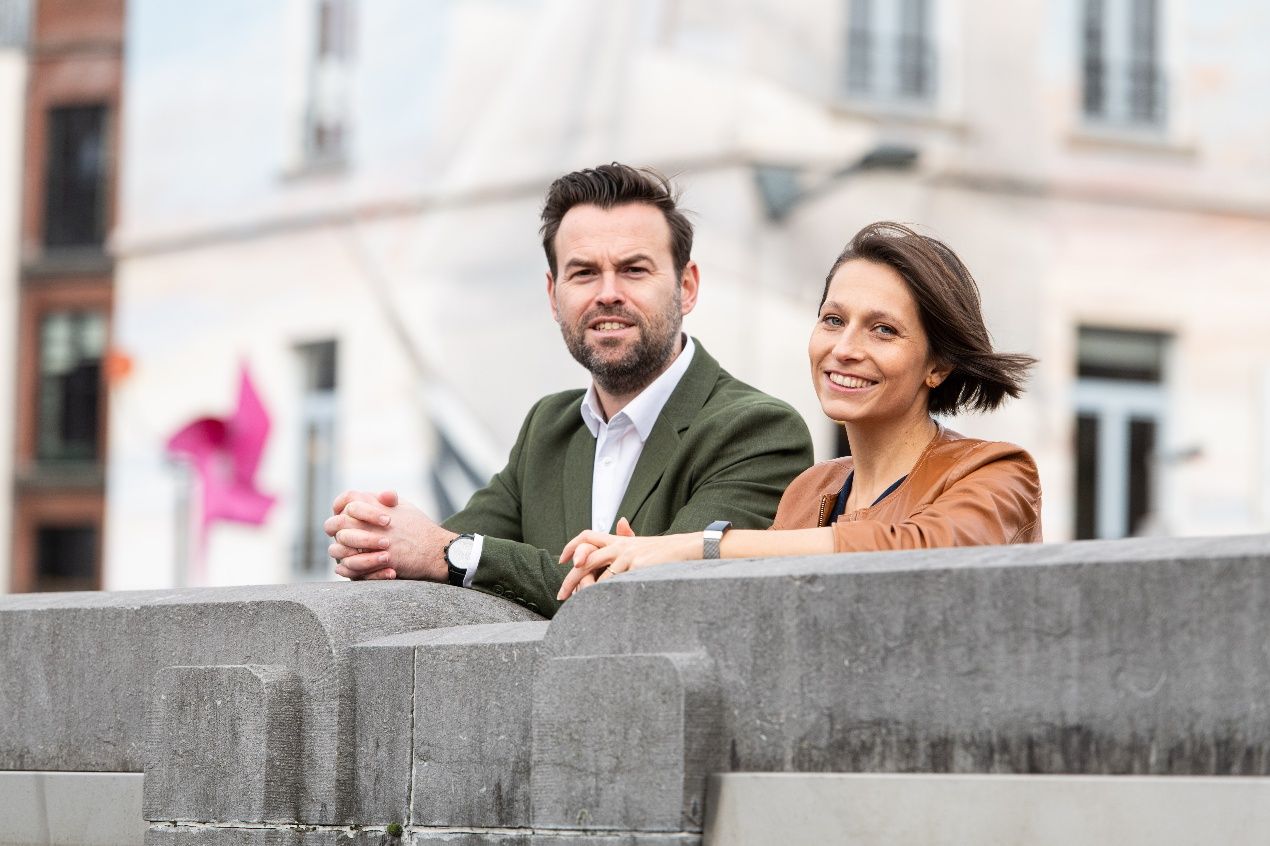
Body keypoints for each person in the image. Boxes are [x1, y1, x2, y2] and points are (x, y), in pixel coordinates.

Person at [325, 163, 813, 616]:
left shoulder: (758, 431)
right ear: (553, 295)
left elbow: (648, 595)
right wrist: (379, 537)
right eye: (583, 273)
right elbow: (441, 545)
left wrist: (447, 552)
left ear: (686, 287)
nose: (608, 294)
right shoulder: (548, 427)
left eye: (634, 269)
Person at [557, 221, 1042, 599]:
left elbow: (916, 550)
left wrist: (696, 545)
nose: (844, 348)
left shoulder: (996, 472)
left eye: (883, 330)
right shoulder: (810, 491)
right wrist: (636, 572)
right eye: (833, 320)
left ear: (937, 366)